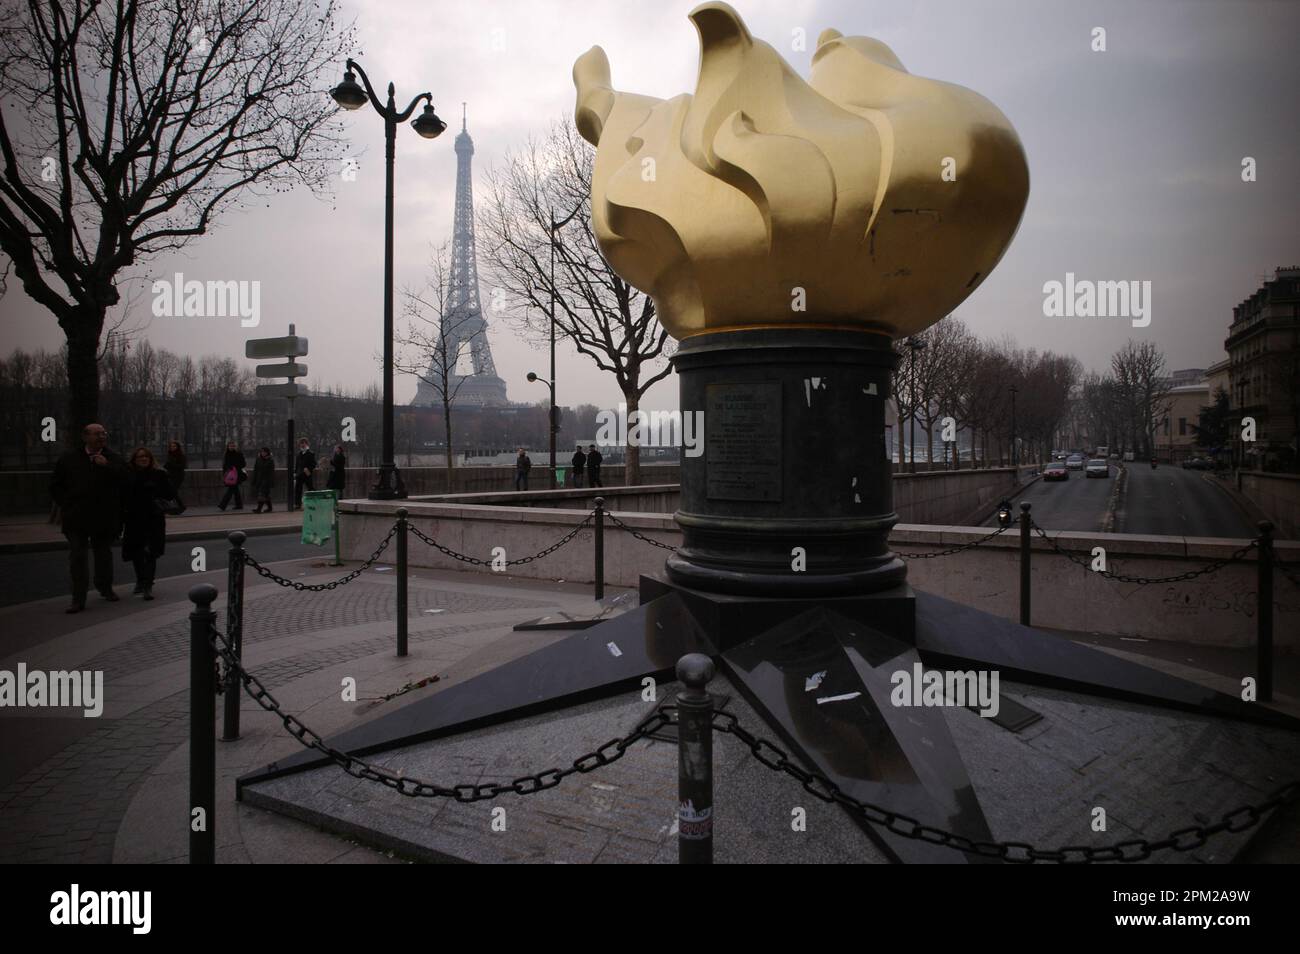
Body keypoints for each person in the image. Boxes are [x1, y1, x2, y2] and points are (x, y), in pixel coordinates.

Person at [49, 423, 125, 613]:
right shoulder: (69, 458)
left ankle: (105, 588)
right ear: (85, 437)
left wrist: (106, 466)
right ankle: (78, 597)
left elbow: (126, 481)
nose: (102, 437)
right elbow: (56, 485)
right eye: (97, 434)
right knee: (77, 557)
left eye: (103, 434)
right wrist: (67, 504)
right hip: (76, 516)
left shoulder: (113, 458)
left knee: (103, 555)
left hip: (103, 516)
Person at [121, 447, 175, 600]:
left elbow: (170, 494)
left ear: (150, 459)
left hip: (154, 517)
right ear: (134, 460)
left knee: (151, 552)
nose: (143, 459)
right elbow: (123, 495)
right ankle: (140, 580)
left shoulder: (159, 474)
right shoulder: (129, 476)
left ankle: (148, 585)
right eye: (139, 457)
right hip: (134, 518)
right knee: (137, 551)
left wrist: (158, 487)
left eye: (146, 456)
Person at [218, 440, 247, 511]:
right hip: (229, 475)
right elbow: (224, 466)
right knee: (235, 490)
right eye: (230, 446)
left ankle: (222, 505)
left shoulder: (239, 454)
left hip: (237, 475)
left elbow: (243, 464)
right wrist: (225, 473)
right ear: (228, 447)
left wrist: (235, 467)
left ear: (235, 446)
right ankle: (239, 505)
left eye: (233, 446)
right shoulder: (226, 454)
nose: (232, 447)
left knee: (231, 490)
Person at [252, 447, 275, 513]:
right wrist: (254, 480)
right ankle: (270, 508)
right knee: (266, 495)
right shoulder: (258, 459)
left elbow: (271, 472)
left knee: (262, 494)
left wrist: (271, 482)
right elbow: (256, 470)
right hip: (259, 479)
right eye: (262, 452)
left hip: (266, 480)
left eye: (264, 452)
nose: (263, 453)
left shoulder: (270, 460)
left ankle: (259, 509)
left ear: (267, 453)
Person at [295, 438, 316, 507]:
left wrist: (308, 469)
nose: (302, 445)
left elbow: (314, 464)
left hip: (307, 474)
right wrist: (295, 472)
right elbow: (297, 464)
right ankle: (298, 504)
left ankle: (313, 502)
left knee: (310, 489)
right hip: (300, 474)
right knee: (298, 490)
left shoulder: (310, 453)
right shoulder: (299, 454)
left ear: (306, 444)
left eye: (303, 443)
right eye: (301, 443)